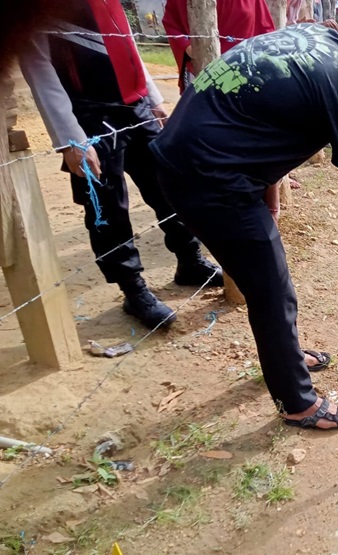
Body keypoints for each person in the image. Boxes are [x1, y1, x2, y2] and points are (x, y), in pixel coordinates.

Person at [150, 9, 338, 430]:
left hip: (195, 157)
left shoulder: (316, 37)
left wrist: (269, 186)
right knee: (271, 289)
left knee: (270, 280)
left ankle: (288, 355)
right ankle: (298, 404)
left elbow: (261, 113)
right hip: (208, 178)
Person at [20, 0, 223, 330]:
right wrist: (70, 138)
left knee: (166, 184)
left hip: (136, 107)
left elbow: (126, 41)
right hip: (87, 117)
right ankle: (133, 290)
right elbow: (38, 67)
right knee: (107, 207)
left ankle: (190, 260)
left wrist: (153, 99)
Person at [163, 0, 275, 93]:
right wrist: (188, 47)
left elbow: (265, 28)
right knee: (202, 113)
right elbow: (171, 22)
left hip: (243, 71)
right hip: (200, 70)